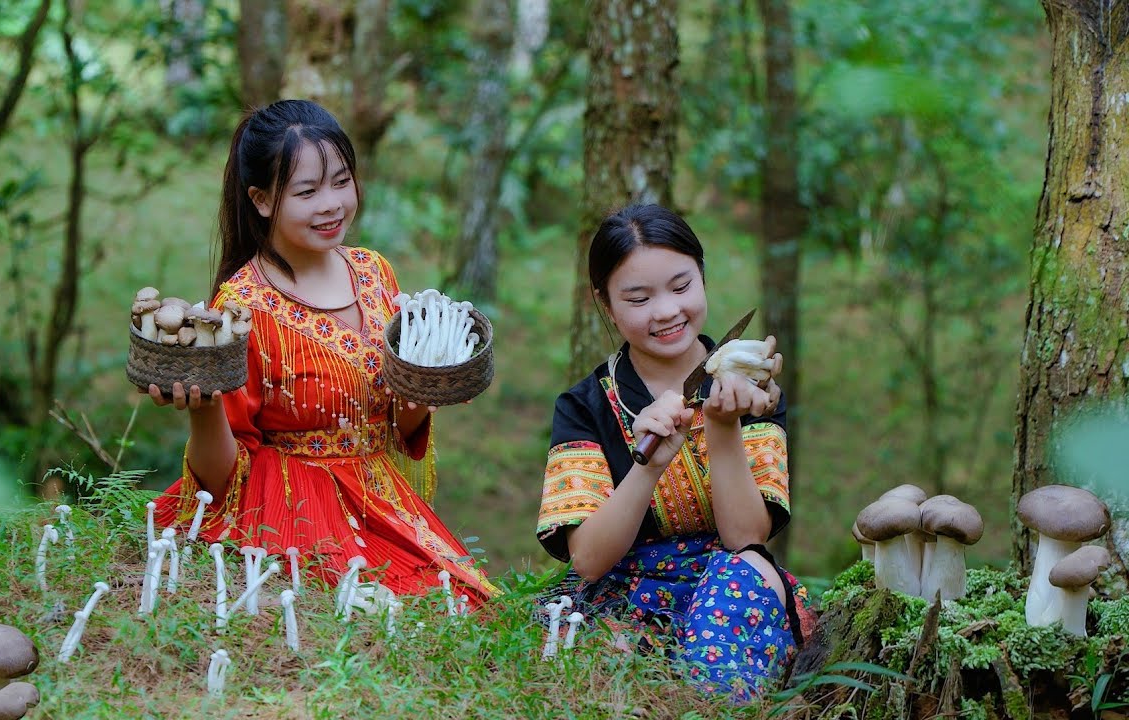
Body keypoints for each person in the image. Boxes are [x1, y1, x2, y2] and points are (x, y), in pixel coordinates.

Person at [147, 99, 495, 607]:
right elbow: (226, 474)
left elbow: (399, 427)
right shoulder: (245, 307)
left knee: (464, 605)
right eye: (307, 191)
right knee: (383, 611)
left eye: (341, 182)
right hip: (293, 506)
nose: (331, 204)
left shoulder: (374, 272)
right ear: (262, 200)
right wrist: (204, 409)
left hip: (382, 497)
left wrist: (424, 381)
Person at [535, 204, 812, 699]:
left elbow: (746, 537)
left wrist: (724, 426)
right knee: (593, 661)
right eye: (638, 298)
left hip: (728, 579)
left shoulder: (752, 387)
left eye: (681, 287)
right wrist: (647, 467)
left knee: (730, 602)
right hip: (620, 584)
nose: (665, 311)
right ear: (605, 302)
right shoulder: (586, 406)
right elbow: (589, 560)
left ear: (702, 278)